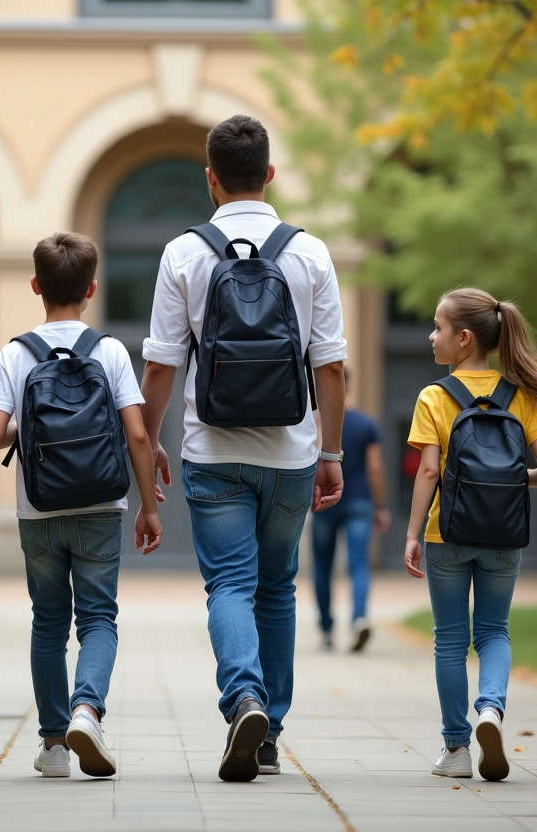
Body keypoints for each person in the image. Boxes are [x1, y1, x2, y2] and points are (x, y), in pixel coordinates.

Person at [138, 114, 347, 782]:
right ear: (271, 175)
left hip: (212, 446)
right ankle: (268, 736)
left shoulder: (185, 252)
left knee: (229, 582)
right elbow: (332, 368)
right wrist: (332, 453)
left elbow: (163, 367)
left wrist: (151, 441)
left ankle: (244, 698)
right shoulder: (309, 253)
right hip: (290, 452)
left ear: (210, 180)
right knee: (277, 588)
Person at [0, 231, 163, 779]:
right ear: (92, 287)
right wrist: (149, 506)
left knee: (48, 623)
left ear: (36, 286)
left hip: (37, 511)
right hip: (102, 505)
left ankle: (55, 744)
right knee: (99, 618)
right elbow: (136, 435)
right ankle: (88, 709)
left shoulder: (17, 352)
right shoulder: (108, 352)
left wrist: (27, 424)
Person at [403, 288, 537, 782]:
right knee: (494, 631)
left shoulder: (434, 396)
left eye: (437, 328)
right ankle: (491, 712)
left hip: (447, 533)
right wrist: (507, 480)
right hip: (504, 535)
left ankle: (456, 750)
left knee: (450, 641)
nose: (431, 336)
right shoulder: (519, 395)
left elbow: (430, 473)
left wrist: (413, 534)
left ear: (463, 338)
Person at [310, 366, 390, 652]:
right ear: (350, 387)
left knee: (322, 566)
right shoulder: (367, 424)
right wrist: (379, 505)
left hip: (324, 503)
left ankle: (327, 628)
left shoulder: (318, 424)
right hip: (359, 502)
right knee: (359, 565)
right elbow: (376, 467)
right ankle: (359, 618)